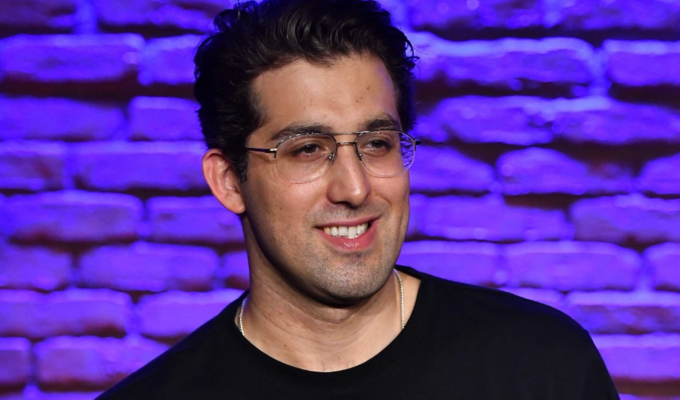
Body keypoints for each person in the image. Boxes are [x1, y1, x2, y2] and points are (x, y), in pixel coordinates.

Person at [98, 0, 620, 398]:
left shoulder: (540, 365)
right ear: (230, 180)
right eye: (307, 149)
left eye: (376, 144)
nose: (355, 188)